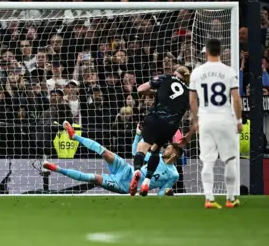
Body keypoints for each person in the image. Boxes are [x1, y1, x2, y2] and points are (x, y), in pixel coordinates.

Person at [43, 121, 181, 195]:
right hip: (127, 170)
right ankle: (74, 136)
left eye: (169, 148)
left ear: (174, 154)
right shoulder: (155, 157)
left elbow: (161, 193)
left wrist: (168, 192)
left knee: (95, 178)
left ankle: (57, 168)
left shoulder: (173, 174)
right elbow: (135, 152)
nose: (166, 148)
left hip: (124, 186)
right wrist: (138, 135)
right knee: (106, 153)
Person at [184, 39, 242, 209]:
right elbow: (236, 99)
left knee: (208, 160)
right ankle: (230, 198)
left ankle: (209, 198)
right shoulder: (228, 72)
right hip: (225, 119)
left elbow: (192, 99)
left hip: (206, 119)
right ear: (221, 52)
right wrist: (238, 120)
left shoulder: (197, 72)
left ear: (207, 52)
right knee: (230, 159)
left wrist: (196, 120)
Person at [131, 66, 190, 196]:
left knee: (142, 147)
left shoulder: (166, 78)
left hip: (156, 118)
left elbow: (140, 89)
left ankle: (136, 172)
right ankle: (146, 182)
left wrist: (155, 92)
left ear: (175, 73)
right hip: (170, 127)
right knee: (156, 150)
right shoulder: (188, 92)